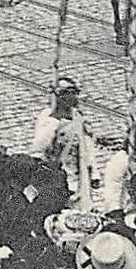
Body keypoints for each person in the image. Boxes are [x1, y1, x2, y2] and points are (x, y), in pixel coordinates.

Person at [30, 77, 99, 205]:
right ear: (59, 96)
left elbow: (87, 145)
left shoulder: (78, 116)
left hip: (80, 179)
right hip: (58, 180)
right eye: (68, 92)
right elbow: (39, 148)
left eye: (75, 92)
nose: (74, 96)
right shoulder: (48, 118)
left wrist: (94, 173)